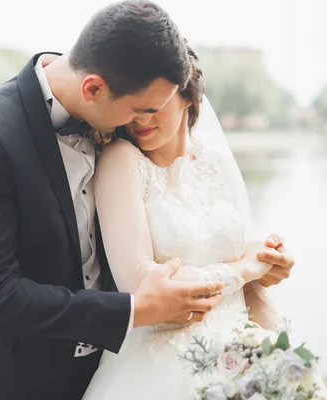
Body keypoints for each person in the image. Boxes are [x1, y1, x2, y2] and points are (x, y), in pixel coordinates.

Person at [0, 1, 295, 399]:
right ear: (93, 89)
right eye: (141, 110)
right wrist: (136, 309)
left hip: (111, 372)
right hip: (7, 380)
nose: (140, 124)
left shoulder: (120, 110)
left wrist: (253, 268)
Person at [82, 44, 315, 399]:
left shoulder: (217, 162)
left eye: (153, 105)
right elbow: (140, 285)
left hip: (241, 357)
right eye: (132, 106)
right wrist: (245, 267)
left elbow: (250, 287)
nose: (140, 119)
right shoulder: (121, 161)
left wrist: (283, 360)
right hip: (159, 368)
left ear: (186, 93)